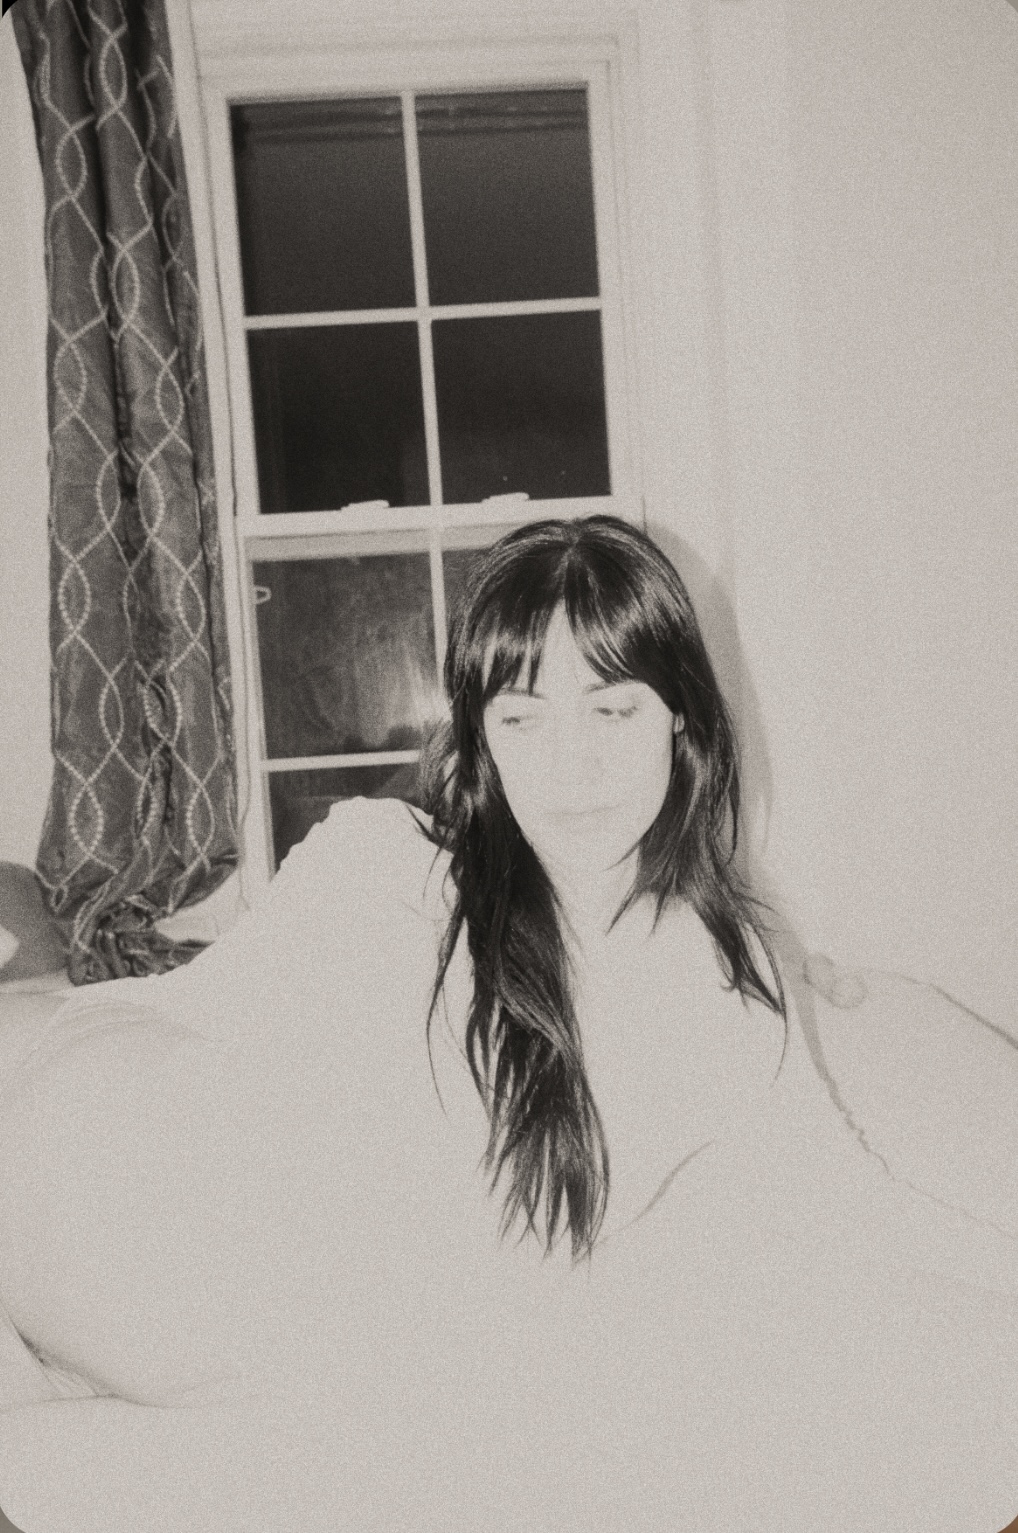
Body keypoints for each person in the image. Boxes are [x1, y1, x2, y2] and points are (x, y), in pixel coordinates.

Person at [0, 515, 1015, 1533]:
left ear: (681, 717)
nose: (571, 765)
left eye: (611, 709)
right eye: (522, 719)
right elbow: (281, 1136)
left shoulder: (725, 970)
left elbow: (838, 1187)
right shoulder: (385, 873)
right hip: (119, 1175)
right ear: (481, 736)